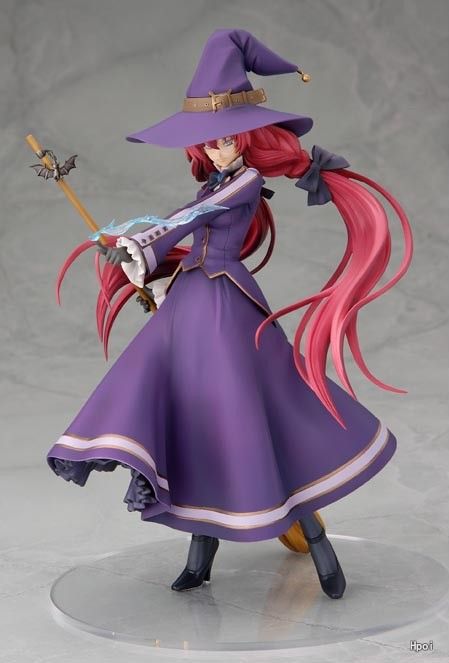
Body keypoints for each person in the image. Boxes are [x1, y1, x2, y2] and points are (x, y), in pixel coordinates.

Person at [47, 29, 413, 600]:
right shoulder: (216, 182)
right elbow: (181, 221)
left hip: (225, 310)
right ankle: (200, 558)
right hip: (191, 303)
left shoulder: (243, 182)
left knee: (257, 420)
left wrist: (140, 243)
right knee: (197, 426)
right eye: (209, 143)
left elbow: (189, 220)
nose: (216, 151)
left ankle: (319, 546)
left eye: (224, 140)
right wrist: (134, 252)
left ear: (246, 139)